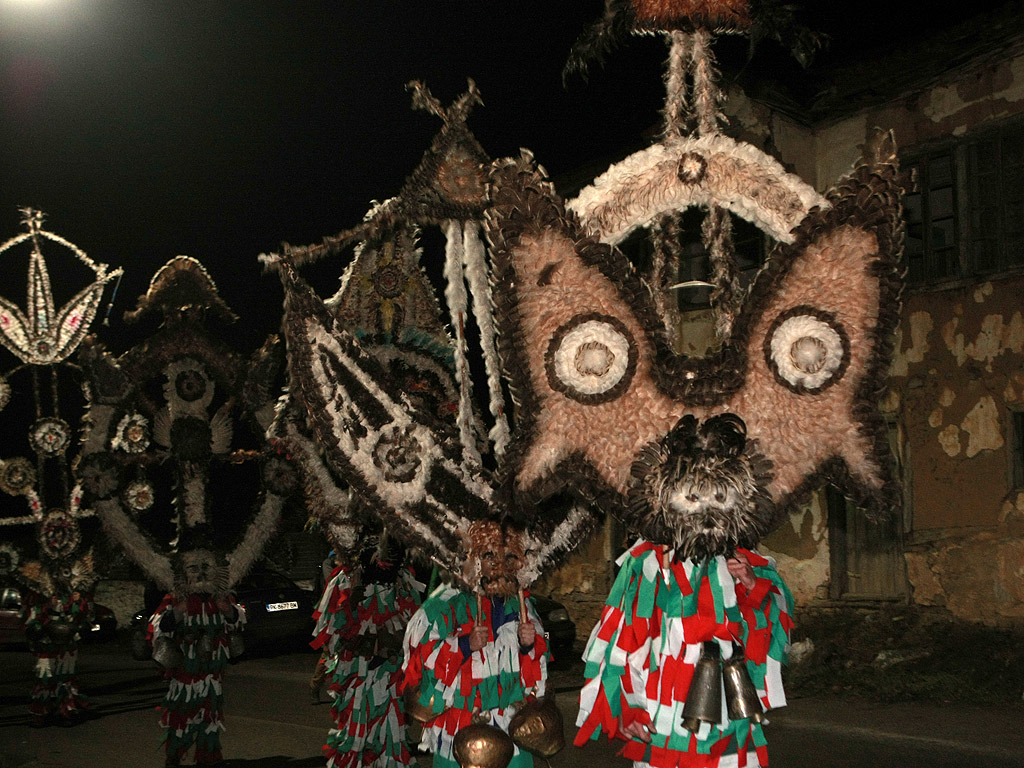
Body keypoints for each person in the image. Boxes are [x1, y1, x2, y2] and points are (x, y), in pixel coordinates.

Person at [575, 544, 793, 768]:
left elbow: (776, 633)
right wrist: (626, 705)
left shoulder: (743, 559)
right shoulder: (644, 562)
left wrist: (751, 585)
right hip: (658, 729)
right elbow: (619, 642)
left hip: (727, 732)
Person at [402, 520, 548, 768]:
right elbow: (421, 668)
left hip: (510, 728)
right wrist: (463, 645)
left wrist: (528, 645)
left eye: (505, 556)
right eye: (489, 555)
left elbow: (537, 669)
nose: (497, 564)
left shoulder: (520, 604)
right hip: (460, 730)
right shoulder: (441, 606)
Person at [320, 539, 423, 768]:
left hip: (392, 677)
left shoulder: (404, 583)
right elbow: (332, 632)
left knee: (392, 737)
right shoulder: (346, 582)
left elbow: (416, 629)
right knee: (356, 737)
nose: (383, 561)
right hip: (358, 675)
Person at [148, 546, 245, 767]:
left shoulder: (222, 598)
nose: (200, 573)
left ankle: (207, 758)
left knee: (209, 719)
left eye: (206, 567)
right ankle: (173, 757)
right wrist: (179, 612)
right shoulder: (176, 599)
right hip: (185, 673)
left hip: (212, 673)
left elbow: (237, 621)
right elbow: (159, 627)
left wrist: (227, 609)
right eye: (193, 568)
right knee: (182, 718)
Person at [22, 585, 92, 726]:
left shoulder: (74, 591)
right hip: (47, 642)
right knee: (44, 677)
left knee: (66, 678)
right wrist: (46, 606)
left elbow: (83, 616)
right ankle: (41, 712)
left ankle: (65, 711)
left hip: (67, 642)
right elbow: (32, 620)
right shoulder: (39, 593)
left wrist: (78, 602)